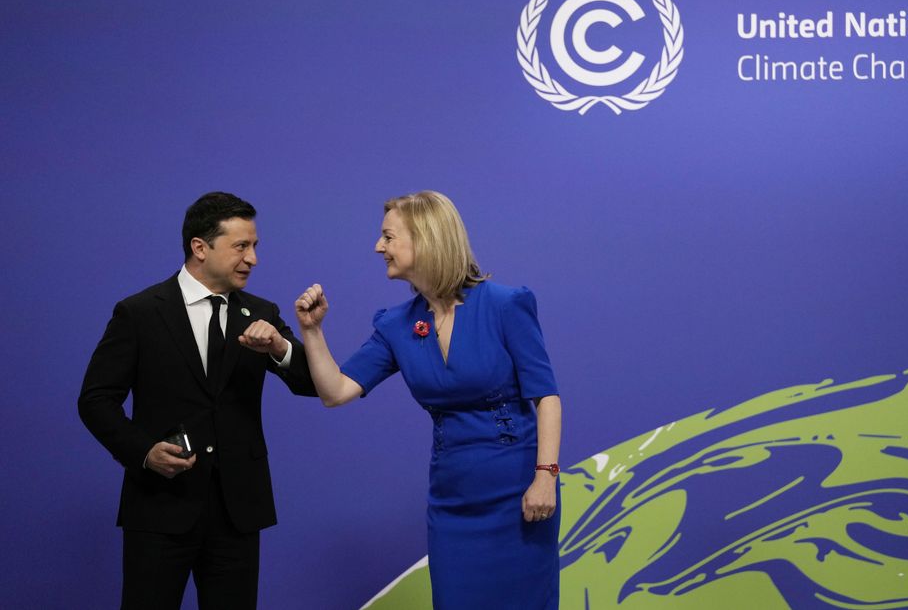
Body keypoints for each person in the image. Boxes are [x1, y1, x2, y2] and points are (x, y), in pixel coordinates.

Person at [296, 190, 562, 609]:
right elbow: (336, 391)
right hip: (453, 502)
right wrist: (312, 331)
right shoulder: (396, 324)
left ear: (425, 238)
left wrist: (545, 476)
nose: (377, 247)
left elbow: (547, 396)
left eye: (387, 236)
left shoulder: (506, 305)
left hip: (520, 494)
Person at [78, 191, 317, 609]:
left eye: (255, 246)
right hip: (159, 508)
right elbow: (96, 400)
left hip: (238, 512)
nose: (253, 258)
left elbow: (312, 383)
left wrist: (281, 347)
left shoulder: (262, 313)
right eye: (241, 246)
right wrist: (144, 452)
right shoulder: (139, 313)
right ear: (200, 247)